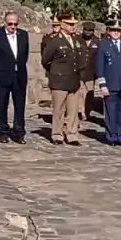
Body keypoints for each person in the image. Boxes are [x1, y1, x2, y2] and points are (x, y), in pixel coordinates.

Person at [0, 12, 29, 144]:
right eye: (10, 24)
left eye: (15, 24)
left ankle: (19, 132)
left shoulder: (23, 35)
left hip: (19, 75)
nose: (13, 27)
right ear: (5, 23)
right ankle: (3, 131)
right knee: (2, 104)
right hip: (2, 75)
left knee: (20, 106)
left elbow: (24, 54)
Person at [41, 13, 83, 145]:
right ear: (63, 25)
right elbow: (45, 60)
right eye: (70, 24)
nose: (72, 27)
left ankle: (71, 134)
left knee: (73, 110)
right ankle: (57, 134)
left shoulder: (76, 40)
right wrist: (56, 71)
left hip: (73, 80)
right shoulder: (55, 41)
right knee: (58, 109)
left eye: (73, 24)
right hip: (59, 80)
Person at [95, 19, 121, 146]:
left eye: (118, 30)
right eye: (113, 30)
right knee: (110, 111)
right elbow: (99, 67)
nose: (116, 33)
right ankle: (111, 136)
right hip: (110, 84)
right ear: (108, 31)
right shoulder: (103, 45)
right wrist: (102, 85)